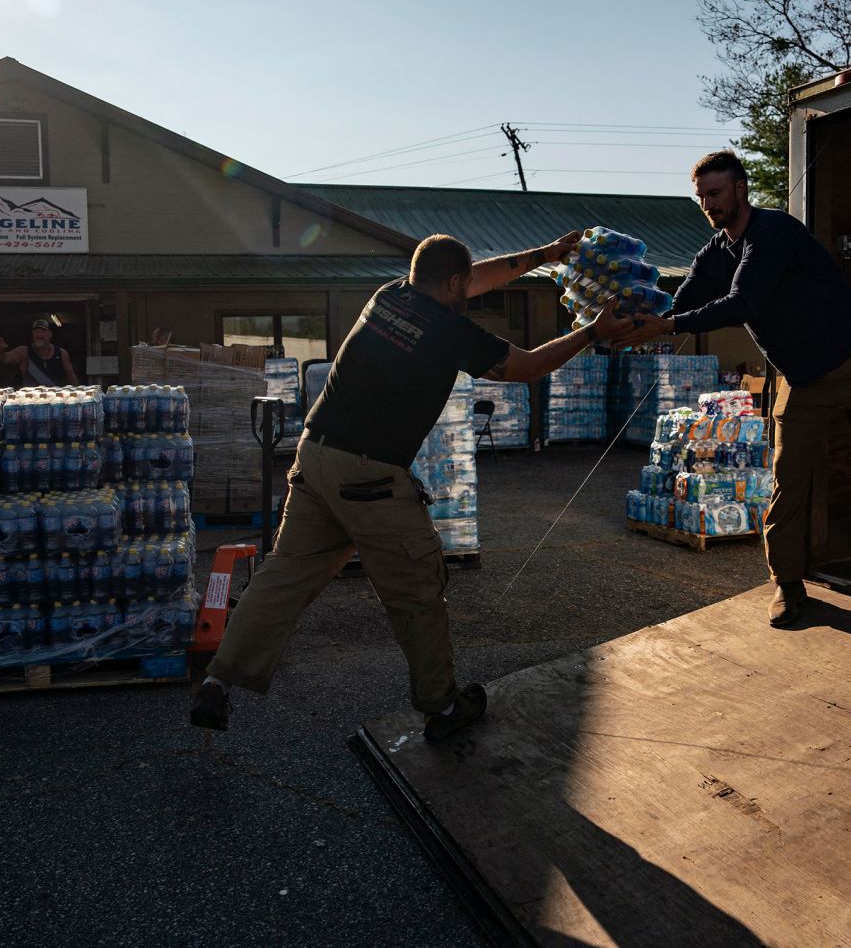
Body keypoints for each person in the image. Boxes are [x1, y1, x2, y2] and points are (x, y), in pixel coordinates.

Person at [190, 231, 634, 739]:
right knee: (417, 591)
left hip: (315, 457)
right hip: (370, 474)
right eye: (463, 283)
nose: (470, 289)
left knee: (284, 576)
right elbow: (527, 367)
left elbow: (476, 276)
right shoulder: (452, 331)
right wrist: (593, 333)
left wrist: (545, 257)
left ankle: (219, 681)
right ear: (452, 283)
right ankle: (442, 708)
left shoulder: (390, 295)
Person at [614, 151, 851, 628]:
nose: (708, 205)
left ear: (740, 189)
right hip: (804, 378)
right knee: (788, 479)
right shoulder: (712, 255)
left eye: (715, 193)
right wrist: (635, 314)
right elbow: (680, 303)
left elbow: (743, 302)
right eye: (700, 198)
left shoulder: (774, 232)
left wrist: (666, 322)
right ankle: (788, 584)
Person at [0, 319, 79, 386]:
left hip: (56, 402)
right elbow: (2, 359)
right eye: (36, 332)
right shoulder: (24, 352)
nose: (39, 335)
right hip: (32, 403)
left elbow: (71, 378)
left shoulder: (61, 353)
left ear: (50, 334)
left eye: (42, 332)